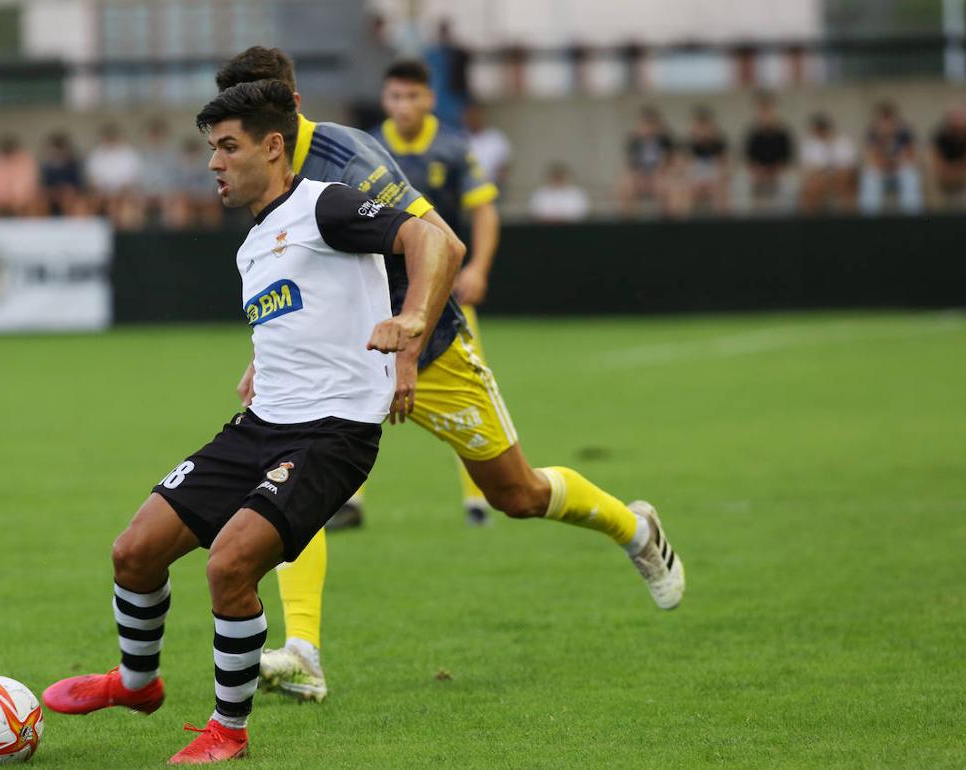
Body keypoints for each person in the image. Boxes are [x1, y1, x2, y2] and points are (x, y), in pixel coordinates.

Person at [215, 47, 684, 706]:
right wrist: (267, 357)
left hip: (427, 350)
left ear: (289, 108)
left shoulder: (348, 159)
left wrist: (406, 353)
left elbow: (439, 243)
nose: (231, 145)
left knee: (515, 495)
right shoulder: (262, 172)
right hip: (337, 365)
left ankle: (633, 529)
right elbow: (298, 275)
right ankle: (304, 652)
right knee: (291, 489)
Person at [40, 78, 457, 765]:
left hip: (331, 435)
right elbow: (305, 316)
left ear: (272, 146)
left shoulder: (326, 205)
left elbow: (433, 241)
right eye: (211, 149)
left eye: (228, 147)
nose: (213, 163)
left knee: (229, 566)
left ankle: (227, 733)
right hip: (259, 427)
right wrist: (264, 364)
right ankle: (137, 684)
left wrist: (413, 322)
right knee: (133, 552)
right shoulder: (254, 243)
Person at [367, 58, 502, 528]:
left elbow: (484, 212)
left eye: (412, 97)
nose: (403, 106)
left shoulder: (452, 147)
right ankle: (346, 499)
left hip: (442, 294)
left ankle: (478, 498)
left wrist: (479, 267)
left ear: (429, 99)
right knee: (355, 389)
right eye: (395, 97)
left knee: (468, 392)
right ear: (385, 100)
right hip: (378, 295)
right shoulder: (368, 149)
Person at [859, 100, 922, 215]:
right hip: (881, 173)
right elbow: (870, 159)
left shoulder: (905, 133)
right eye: (883, 120)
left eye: (889, 119)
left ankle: (912, 217)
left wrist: (895, 161)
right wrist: (884, 143)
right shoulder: (871, 133)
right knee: (870, 175)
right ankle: (868, 218)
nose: (886, 124)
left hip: (899, 172)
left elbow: (912, 157)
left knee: (910, 174)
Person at [617, 106, 678, 216]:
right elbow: (631, 165)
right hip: (641, 176)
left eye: (652, 124)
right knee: (625, 187)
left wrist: (657, 175)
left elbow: (668, 164)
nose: (649, 128)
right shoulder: (634, 141)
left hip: (660, 175)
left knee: (664, 186)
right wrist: (640, 177)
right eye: (646, 124)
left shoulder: (665, 141)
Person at [85, 123, 143, 228]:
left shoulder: (129, 153)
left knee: (126, 204)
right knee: (91, 202)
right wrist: (104, 191)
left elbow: (132, 179)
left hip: (125, 192)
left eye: (112, 137)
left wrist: (119, 192)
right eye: (107, 137)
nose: (110, 140)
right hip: (102, 193)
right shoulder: (96, 155)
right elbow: (93, 180)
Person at [743, 93, 794, 211]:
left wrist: (775, 170)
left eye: (768, 111)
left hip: (778, 171)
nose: (766, 115)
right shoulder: (752, 134)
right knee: (752, 180)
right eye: (763, 111)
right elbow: (750, 159)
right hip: (759, 172)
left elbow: (786, 159)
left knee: (785, 181)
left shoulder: (783, 134)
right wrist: (759, 170)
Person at [799, 112, 857, 214]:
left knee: (844, 179)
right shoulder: (809, 144)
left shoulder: (843, 141)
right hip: (819, 179)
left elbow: (849, 166)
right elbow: (809, 169)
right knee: (811, 187)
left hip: (840, 178)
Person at [684, 105, 729, 215]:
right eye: (700, 126)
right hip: (694, 177)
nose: (703, 130)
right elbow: (684, 166)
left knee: (721, 189)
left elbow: (726, 164)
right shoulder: (688, 143)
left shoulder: (719, 143)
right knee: (683, 190)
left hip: (714, 177)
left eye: (705, 126)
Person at [0, 134, 39, 217]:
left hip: (22, 200)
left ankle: (30, 229)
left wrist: (18, 200)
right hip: (0, 200)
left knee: (32, 204)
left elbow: (28, 183)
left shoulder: (25, 160)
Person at [462, 102, 511, 189]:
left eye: (476, 115)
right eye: (470, 116)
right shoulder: (459, 139)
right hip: (466, 188)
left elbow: (505, 167)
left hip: (493, 187)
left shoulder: (496, 137)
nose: (473, 119)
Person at [39, 131, 86, 217]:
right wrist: (53, 192)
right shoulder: (47, 166)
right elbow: (44, 185)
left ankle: (68, 226)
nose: (59, 153)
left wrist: (67, 190)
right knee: (40, 202)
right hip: (51, 194)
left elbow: (79, 185)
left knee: (68, 197)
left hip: (69, 195)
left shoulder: (74, 164)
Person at [930, 106, 966, 208]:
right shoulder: (940, 137)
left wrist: (958, 171)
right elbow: (936, 159)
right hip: (944, 174)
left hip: (961, 174)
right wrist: (946, 171)